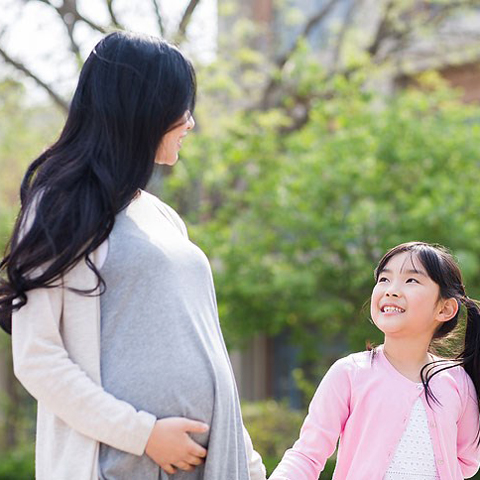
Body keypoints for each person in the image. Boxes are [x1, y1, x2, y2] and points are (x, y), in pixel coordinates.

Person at [0, 31, 266, 480]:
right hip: (118, 466)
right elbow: (37, 356)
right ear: (143, 107)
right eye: (181, 106)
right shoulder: (63, 203)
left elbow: (208, 350)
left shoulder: (163, 217)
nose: (191, 122)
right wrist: (144, 434)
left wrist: (249, 463)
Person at [270, 241, 480, 480]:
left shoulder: (459, 382)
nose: (391, 290)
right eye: (384, 279)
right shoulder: (350, 373)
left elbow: (466, 461)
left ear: (445, 309)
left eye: (411, 280)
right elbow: (307, 455)